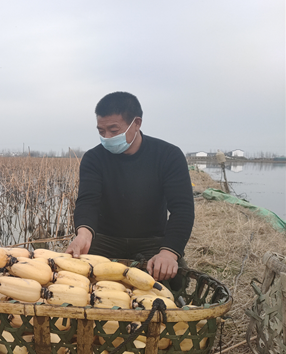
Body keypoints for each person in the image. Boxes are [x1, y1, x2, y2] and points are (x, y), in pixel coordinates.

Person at [66, 92, 194, 283]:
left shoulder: (168, 156)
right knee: (77, 278)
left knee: (172, 281)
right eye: (101, 131)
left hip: (152, 240)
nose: (107, 137)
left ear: (136, 123)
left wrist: (168, 253)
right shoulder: (94, 159)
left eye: (113, 130)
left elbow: (182, 209)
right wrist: (83, 234)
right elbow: (88, 201)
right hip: (105, 239)